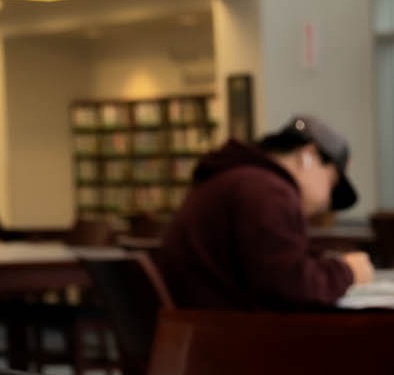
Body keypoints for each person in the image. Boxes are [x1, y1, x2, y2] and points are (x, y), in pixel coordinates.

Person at [155, 114, 375, 310]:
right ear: (307, 156)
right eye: (332, 181)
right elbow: (290, 286)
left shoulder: (235, 179)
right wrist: (347, 272)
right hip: (230, 340)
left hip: (203, 331)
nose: (327, 200)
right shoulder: (268, 192)